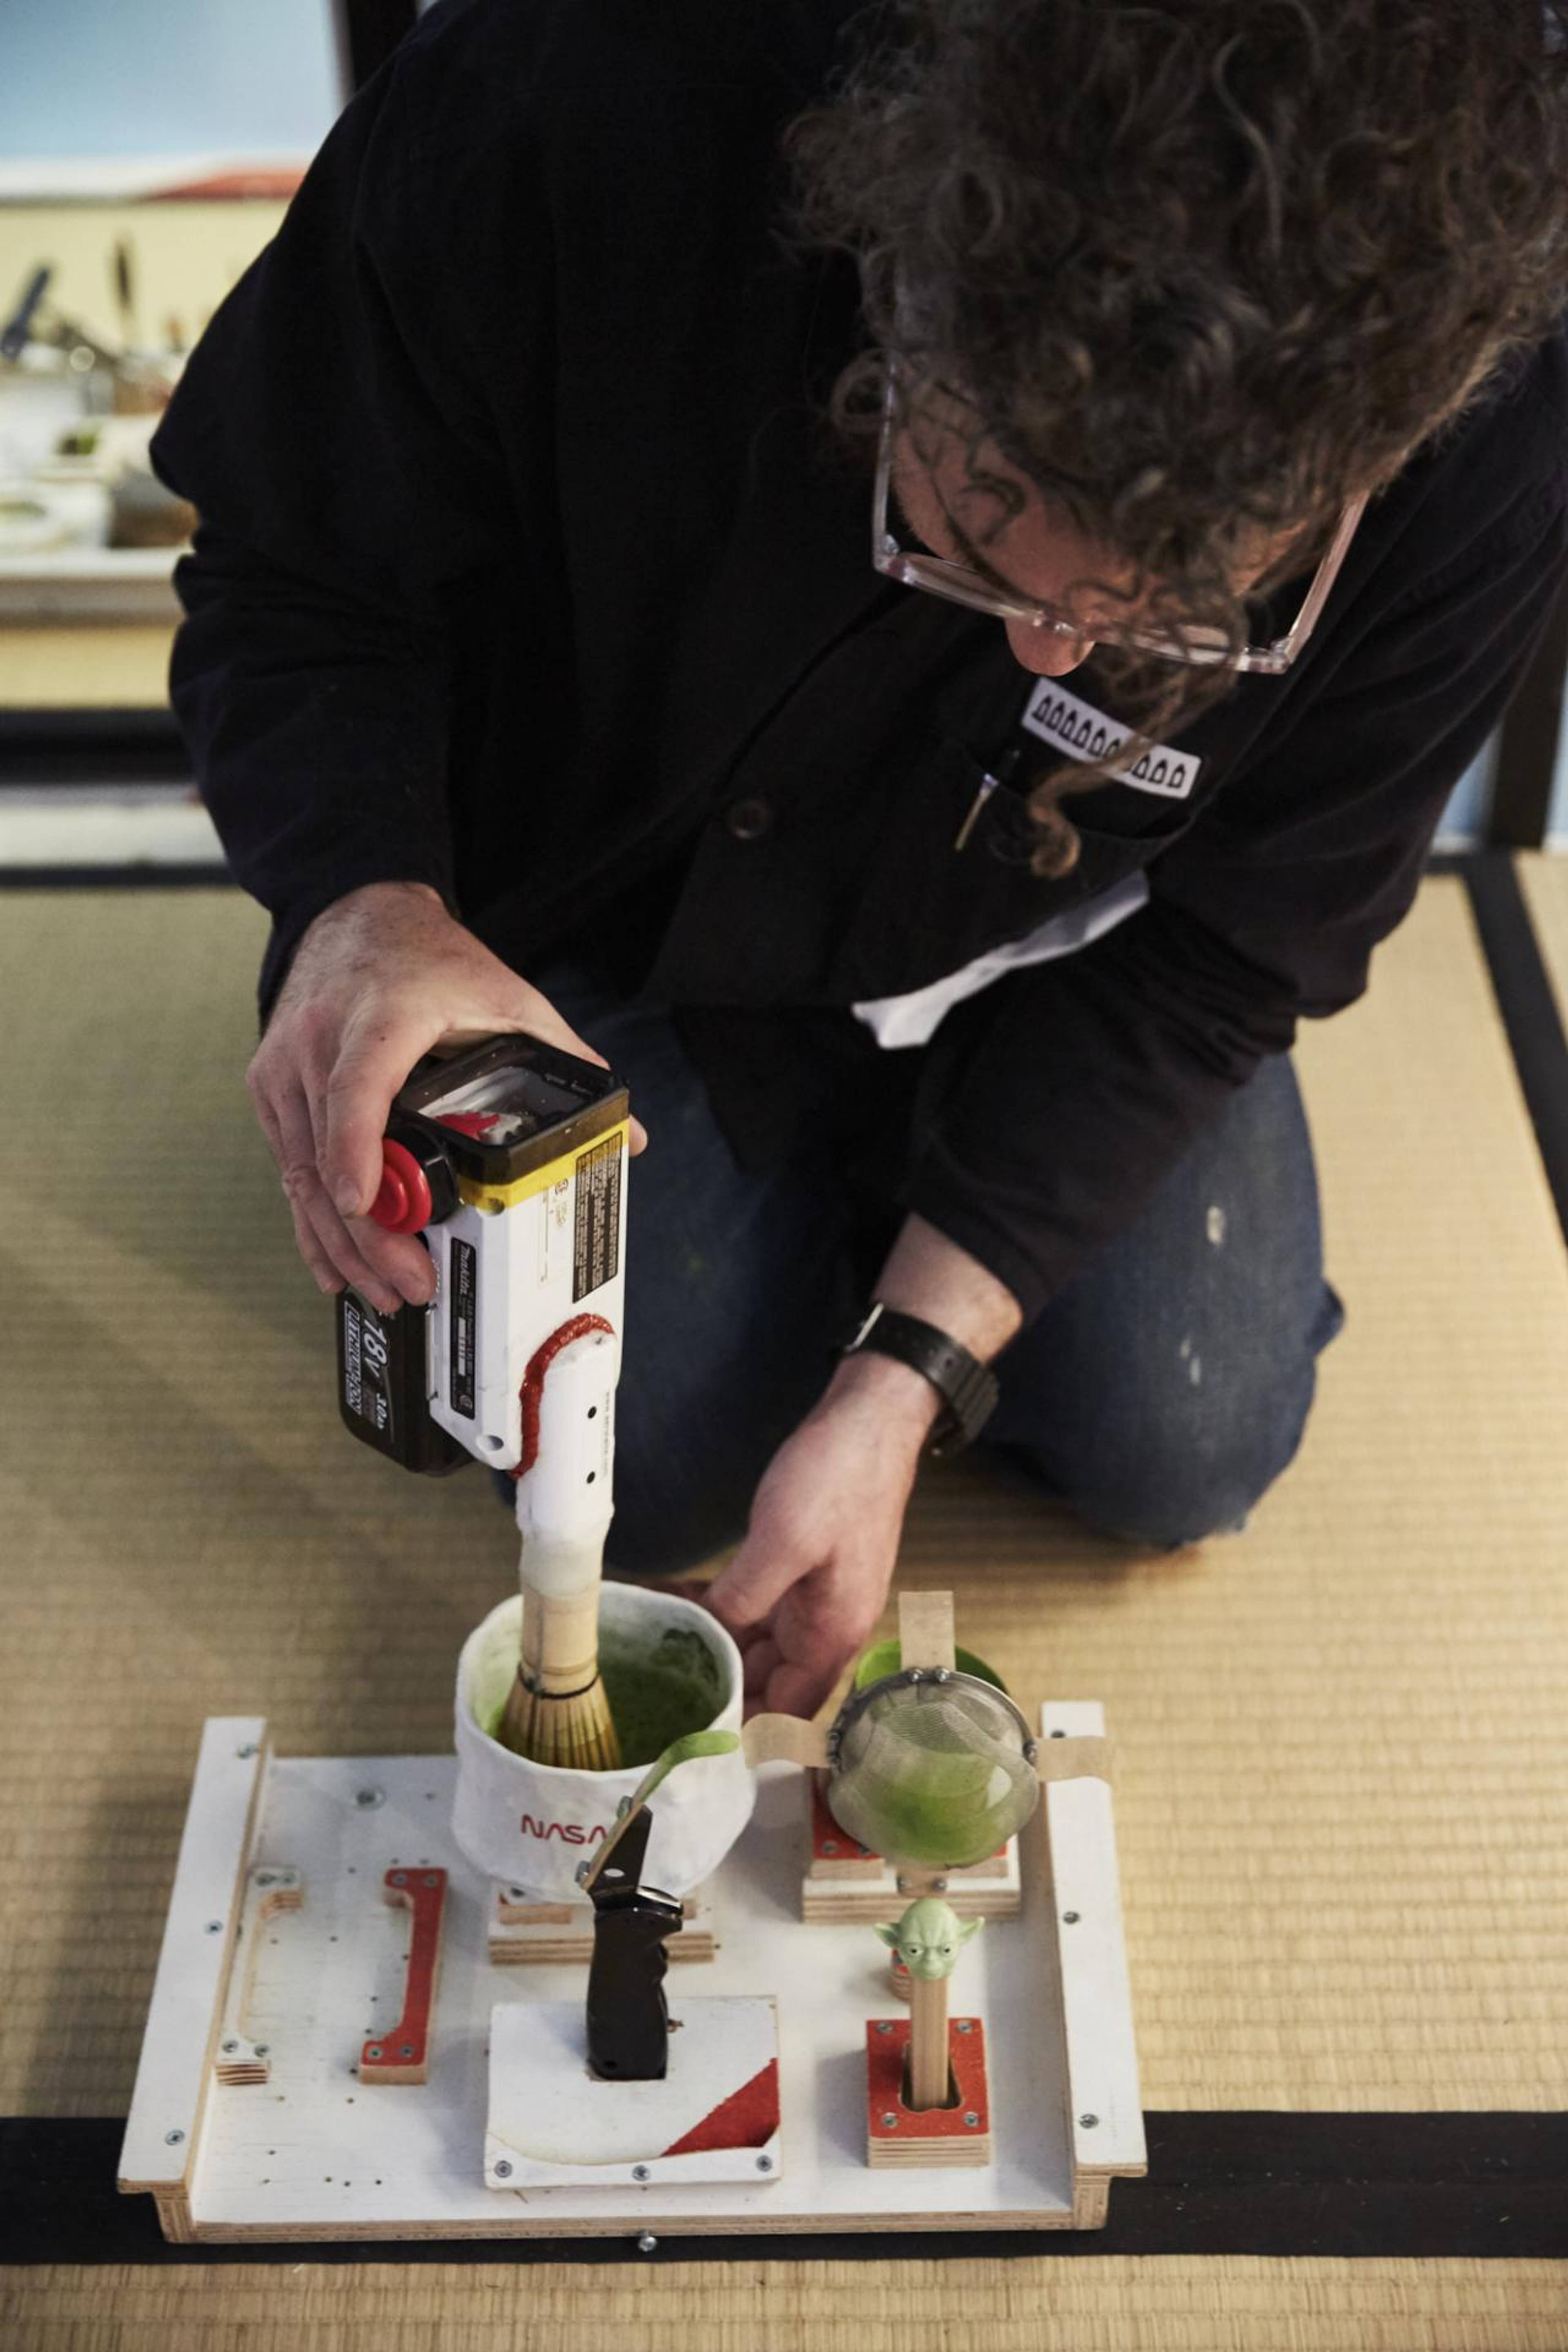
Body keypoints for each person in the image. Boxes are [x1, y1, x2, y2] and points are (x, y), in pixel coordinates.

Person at [151, 0, 1568, 1718]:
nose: (1054, 660)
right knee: (642, 1467)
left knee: (1182, 1434)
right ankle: (793, 1153)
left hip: (1028, 940)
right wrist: (365, 905)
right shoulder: (582, 91)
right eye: (976, 536)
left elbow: (1235, 955)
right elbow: (295, 576)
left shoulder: (1498, 409)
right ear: (893, 267)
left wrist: (900, 1378)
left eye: (1173, 619)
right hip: (549, 902)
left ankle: (873, 1182)